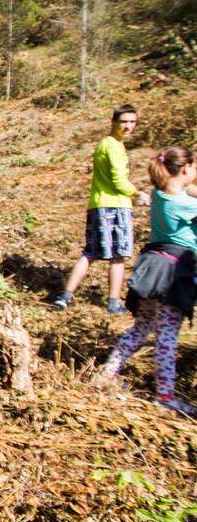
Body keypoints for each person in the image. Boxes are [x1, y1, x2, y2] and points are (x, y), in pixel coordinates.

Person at [93, 147, 197, 417]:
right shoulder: (186, 205)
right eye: (194, 168)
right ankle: (164, 396)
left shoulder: (160, 195)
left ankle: (107, 373)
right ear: (185, 169)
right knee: (167, 336)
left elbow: (186, 191)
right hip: (173, 273)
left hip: (152, 265)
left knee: (142, 327)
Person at [52, 105, 148, 314]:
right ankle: (113, 303)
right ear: (113, 122)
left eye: (132, 122)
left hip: (98, 205)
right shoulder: (113, 145)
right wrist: (138, 194)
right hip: (115, 206)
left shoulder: (108, 144)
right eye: (124, 121)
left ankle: (66, 296)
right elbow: (118, 181)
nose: (128, 126)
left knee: (90, 253)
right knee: (118, 256)